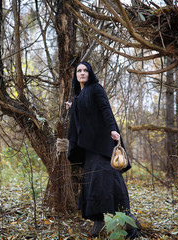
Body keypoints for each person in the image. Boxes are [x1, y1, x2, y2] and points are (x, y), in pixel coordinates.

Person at [66, 62, 139, 237]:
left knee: (109, 178)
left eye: (85, 70)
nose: (82, 73)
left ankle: (129, 221)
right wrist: (73, 107)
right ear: (76, 75)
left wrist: (113, 129)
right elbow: (83, 115)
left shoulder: (96, 88)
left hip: (104, 144)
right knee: (92, 183)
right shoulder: (79, 95)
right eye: (79, 71)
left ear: (90, 73)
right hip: (90, 148)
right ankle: (98, 223)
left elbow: (105, 109)